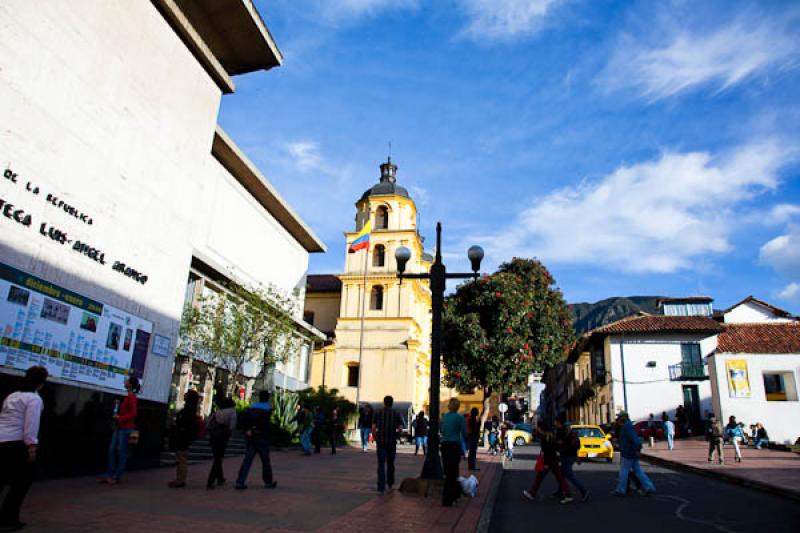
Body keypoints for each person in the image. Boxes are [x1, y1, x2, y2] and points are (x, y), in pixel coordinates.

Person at [0, 366, 48, 530]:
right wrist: (32, 447)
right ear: (41, 383)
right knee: (21, 483)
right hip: (16, 443)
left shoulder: (12, 396)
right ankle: (8, 518)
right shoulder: (34, 399)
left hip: (2, 440)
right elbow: (31, 425)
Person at [523, 419, 572, 504]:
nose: (537, 429)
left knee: (559, 478)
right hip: (552, 460)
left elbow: (548, 451)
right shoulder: (549, 435)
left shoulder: (546, 438)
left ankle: (568, 495)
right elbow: (553, 448)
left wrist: (546, 464)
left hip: (550, 461)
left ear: (540, 428)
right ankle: (532, 493)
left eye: (537, 427)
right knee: (543, 477)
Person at [235, 390, 277, 490]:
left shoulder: (251, 407)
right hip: (262, 437)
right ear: (267, 398)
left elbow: (244, 420)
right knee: (265, 461)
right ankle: (268, 481)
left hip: (250, 437)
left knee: (247, 460)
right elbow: (265, 424)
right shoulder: (268, 408)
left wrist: (247, 430)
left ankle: (240, 481)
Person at [103, 375, 139, 485]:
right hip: (120, 427)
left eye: (127, 381)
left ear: (130, 384)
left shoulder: (132, 397)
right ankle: (110, 475)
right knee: (113, 450)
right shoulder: (128, 396)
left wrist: (120, 418)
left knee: (120, 451)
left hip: (125, 428)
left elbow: (133, 413)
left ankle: (116, 476)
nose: (125, 382)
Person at [612, 412, 656, 496]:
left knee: (624, 471)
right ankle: (649, 487)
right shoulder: (626, 426)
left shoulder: (627, 427)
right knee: (637, 471)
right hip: (630, 451)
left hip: (629, 452)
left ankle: (621, 490)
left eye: (619, 417)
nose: (618, 419)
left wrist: (638, 448)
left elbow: (634, 439)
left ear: (624, 418)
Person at [168, 390, 202, 488]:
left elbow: (184, 423)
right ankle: (179, 479)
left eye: (187, 394)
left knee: (181, 458)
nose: (185, 395)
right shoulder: (191, 409)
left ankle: (180, 479)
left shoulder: (188, 410)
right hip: (183, 436)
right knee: (180, 457)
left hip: (183, 437)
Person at [372, 395, 404, 495]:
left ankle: (381, 486)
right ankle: (390, 483)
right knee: (391, 463)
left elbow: (373, 427)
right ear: (392, 403)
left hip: (381, 441)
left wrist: (375, 437)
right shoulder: (396, 413)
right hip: (391, 441)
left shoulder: (378, 412)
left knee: (381, 464)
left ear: (384, 402)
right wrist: (397, 435)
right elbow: (400, 427)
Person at [554, 414, 589, 501]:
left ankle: (583, 491)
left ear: (558, 422)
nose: (554, 423)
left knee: (570, 476)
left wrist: (556, 445)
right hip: (572, 455)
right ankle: (560, 491)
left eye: (555, 421)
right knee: (562, 474)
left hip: (566, 455)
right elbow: (573, 444)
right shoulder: (569, 430)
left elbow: (560, 443)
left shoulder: (561, 431)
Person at [441, 398, 468, 507]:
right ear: (458, 407)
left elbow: (443, 430)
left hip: (444, 445)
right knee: (454, 472)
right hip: (454, 446)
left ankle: (449, 497)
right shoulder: (460, 418)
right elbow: (465, 433)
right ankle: (451, 497)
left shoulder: (445, 416)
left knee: (447, 472)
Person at [206, 397, 237, 489]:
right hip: (222, 437)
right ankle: (210, 481)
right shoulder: (232, 412)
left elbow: (208, 423)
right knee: (218, 459)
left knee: (217, 457)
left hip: (213, 436)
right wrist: (230, 435)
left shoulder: (218, 412)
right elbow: (232, 426)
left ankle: (220, 478)